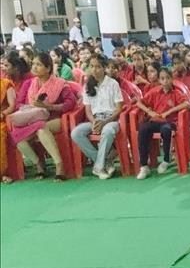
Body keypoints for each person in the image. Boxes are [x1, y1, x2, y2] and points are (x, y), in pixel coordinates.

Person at [10, 52, 76, 181]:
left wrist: (49, 107)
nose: (34, 67)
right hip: (32, 119)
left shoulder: (59, 83)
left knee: (41, 129)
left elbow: (70, 103)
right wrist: (30, 108)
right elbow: (18, 103)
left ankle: (59, 165)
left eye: (38, 65)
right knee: (17, 136)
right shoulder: (29, 83)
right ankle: (38, 163)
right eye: (33, 64)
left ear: (48, 68)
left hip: (55, 119)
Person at [70, 54, 123, 180]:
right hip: (95, 119)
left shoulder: (113, 84)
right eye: (92, 66)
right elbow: (88, 111)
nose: (94, 70)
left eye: (98, 66)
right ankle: (104, 162)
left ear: (104, 67)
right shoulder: (87, 86)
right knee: (76, 133)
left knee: (108, 131)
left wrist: (105, 122)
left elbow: (118, 109)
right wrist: (94, 122)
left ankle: (98, 167)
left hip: (111, 119)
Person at [134, 66, 190, 179]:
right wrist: (149, 111)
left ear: (172, 79)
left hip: (169, 122)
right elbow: (139, 103)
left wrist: (169, 111)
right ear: (159, 80)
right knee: (143, 129)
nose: (165, 81)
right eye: (162, 78)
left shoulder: (176, 93)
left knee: (166, 130)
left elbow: (187, 104)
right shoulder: (155, 92)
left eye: (168, 78)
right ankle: (144, 166)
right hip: (155, 120)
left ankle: (166, 160)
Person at [0, 77, 15, 183]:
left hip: (3, 119)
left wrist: (2, 114)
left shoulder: (6, 84)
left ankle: (2, 173)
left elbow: (12, 106)